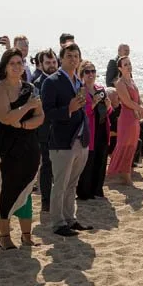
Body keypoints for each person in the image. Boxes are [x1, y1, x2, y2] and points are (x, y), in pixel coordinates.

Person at [0, 49, 43, 249]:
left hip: (28, 145)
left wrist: (26, 124)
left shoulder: (30, 87)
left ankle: (27, 236)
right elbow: (6, 118)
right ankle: (5, 237)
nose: (17, 66)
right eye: (12, 63)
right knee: (2, 191)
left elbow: (41, 117)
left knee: (26, 190)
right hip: (4, 147)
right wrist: (27, 107)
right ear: (5, 66)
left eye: (20, 62)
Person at [43, 42, 91, 236]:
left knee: (72, 183)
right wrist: (68, 110)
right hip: (62, 141)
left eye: (76, 56)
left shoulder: (78, 81)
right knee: (60, 184)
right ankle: (58, 222)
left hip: (80, 138)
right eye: (69, 55)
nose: (73, 59)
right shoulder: (52, 81)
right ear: (61, 58)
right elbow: (48, 113)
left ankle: (70, 218)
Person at [78, 61, 115, 200]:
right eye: (87, 71)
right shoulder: (81, 90)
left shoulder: (100, 88)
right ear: (82, 74)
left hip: (102, 128)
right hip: (89, 130)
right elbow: (82, 112)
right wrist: (93, 103)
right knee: (88, 162)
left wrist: (109, 105)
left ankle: (97, 190)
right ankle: (85, 192)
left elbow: (108, 111)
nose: (91, 74)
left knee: (101, 160)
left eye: (93, 71)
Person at [31, 49, 60, 217]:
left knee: (61, 169)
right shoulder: (37, 84)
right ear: (41, 64)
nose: (51, 65)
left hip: (62, 132)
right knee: (47, 167)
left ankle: (58, 201)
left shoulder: (62, 80)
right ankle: (46, 203)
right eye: (48, 63)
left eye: (54, 62)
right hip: (44, 132)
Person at [108, 56, 143, 184]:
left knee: (132, 145)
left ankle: (126, 171)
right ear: (120, 68)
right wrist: (140, 109)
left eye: (129, 63)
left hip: (135, 118)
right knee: (124, 145)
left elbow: (138, 99)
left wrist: (141, 108)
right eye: (125, 64)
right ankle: (120, 172)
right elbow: (127, 102)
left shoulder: (132, 81)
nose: (129, 66)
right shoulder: (119, 83)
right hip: (126, 118)